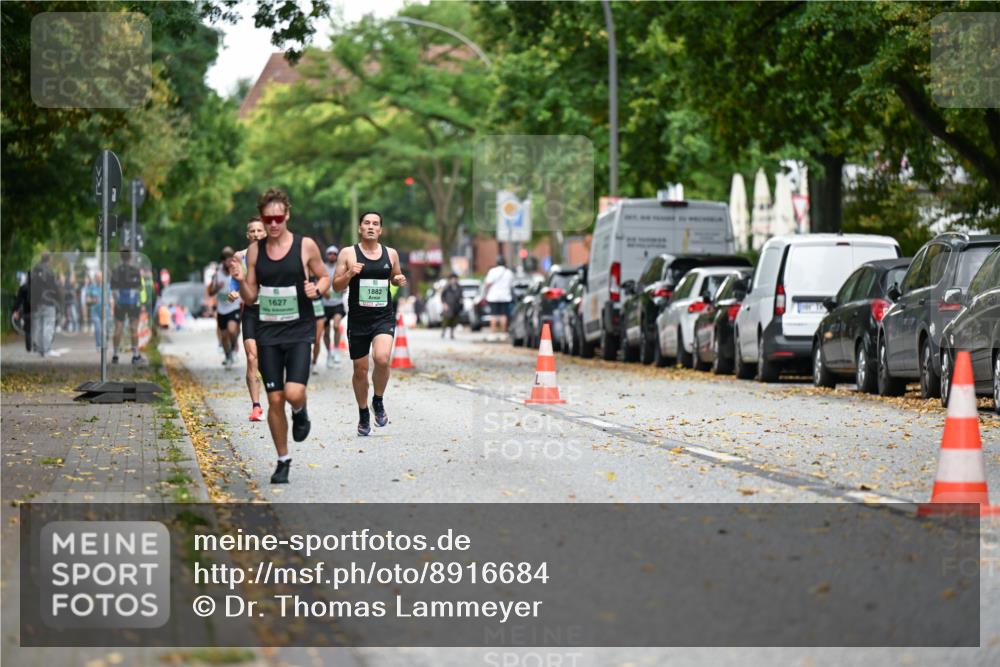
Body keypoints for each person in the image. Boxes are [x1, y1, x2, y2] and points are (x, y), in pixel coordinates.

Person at [231, 188, 329, 484]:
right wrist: (239, 279)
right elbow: (250, 293)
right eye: (267, 218)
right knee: (274, 400)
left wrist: (318, 289)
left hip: (299, 329)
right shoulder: (255, 251)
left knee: (293, 393)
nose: (272, 224)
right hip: (267, 331)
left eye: (277, 218)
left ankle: (300, 411)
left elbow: (324, 277)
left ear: (287, 215)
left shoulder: (305, 246)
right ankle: (283, 460)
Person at [331, 211, 407, 436]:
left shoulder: (390, 253)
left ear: (381, 230)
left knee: (382, 359)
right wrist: (349, 275)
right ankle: (363, 412)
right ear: (360, 228)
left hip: (382, 316)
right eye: (367, 223)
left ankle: (378, 400)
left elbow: (394, 275)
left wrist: (398, 279)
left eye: (375, 224)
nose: (371, 227)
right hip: (358, 319)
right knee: (360, 369)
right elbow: (336, 286)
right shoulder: (348, 253)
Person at [232, 217, 267, 421]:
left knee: (267, 360)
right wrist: (233, 292)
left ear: (265, 233)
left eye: (259, 231)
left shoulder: (276, 254)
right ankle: (256, 406)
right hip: (251, 311)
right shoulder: (240, 256)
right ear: (248, 235)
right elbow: (233, 282)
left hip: (271, 312)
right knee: (251, 357)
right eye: (252, 231)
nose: (255, 234)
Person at [110, 250, 143, 364]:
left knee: (118, 328)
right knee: (134, 329)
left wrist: (116, 301)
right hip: (133, 303)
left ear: (121, 257)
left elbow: (113, 290)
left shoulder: (116, 271)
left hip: (120, 303)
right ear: (130, 257)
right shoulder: (135, 271)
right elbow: (140, 288)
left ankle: (115, 355)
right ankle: (135, 355)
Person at [212, 247, 241, 368]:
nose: (228, 262)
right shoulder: (217, 274)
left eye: (230, 259)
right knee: (223, 336)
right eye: (226, 260)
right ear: (223, 261)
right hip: (221, 309)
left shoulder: (236, 271)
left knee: (232, 330)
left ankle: (234, 346)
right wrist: (217, 288)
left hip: (234, 307)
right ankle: (228, 356)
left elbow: (242, 285)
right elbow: (211, 291)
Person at [321, 245, 346, 368]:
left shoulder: (340, 268)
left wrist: (344, 286)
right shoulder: (322, 268)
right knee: (325, 333)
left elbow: (345, 283)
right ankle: (329, 353)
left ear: (337, 256)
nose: (332, 255)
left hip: (337, 303)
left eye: (334, 254)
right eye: (330, 253)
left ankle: (336, 349)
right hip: (324, 305)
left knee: (336, 325)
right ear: (326, 255)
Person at [30, 252, 59, 357]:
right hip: (48, 301)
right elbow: (55, 288)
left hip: (37, 302)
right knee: (48, 326)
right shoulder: (49, 272)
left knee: (39, 326)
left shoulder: (34, 271)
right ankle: (47, 349)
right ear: (49, 259)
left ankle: (40, 350)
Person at [484, 255, 514, 338]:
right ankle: (503, 333)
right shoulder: (509, 273)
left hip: (494, 296)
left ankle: (493, 333)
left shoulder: (492, 271)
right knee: (503, 315)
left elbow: (487, 283)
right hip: (505, 296)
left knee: (493, 315)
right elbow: (511, 285)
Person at [11, 274, 31, 352]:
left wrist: (15, 311)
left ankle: (29, 346)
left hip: (27, 311)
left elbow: (18, 301)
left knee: (28, 329)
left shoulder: (23, 288)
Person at [440, 273, 462, 339]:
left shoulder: (459, 287)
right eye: (453, 279)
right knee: (446, 320)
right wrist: (444, 304)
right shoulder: (447, 287)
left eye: (455, 279)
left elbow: (461, 296)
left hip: (456, 306)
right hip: (448, 306)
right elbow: (442, 296)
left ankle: (452, 333)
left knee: (454, 320)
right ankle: (443, 332)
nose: (454, 280)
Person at [85, 272, 103, 349]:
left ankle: (103, 344)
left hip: (105, 312)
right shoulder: (91, 287)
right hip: (95, 311)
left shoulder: (106, 287)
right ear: (95, 278)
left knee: (106, 330)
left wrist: (112, 310)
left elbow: (110, 298)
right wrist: (92, 300)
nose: (98, 278)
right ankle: (99, 345)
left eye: (100, 277)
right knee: (98, 328)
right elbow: (87, 299)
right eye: (97, 277)